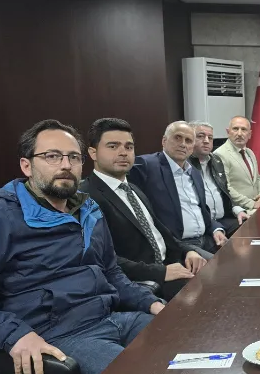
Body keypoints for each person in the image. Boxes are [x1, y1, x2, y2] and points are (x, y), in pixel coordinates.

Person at [0, 119, 165, 374]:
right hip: (58, 336)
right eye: (52, 156)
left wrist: (151, 303)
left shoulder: (88, 209)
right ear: (26, 166)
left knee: (186, 344)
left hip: (112, 318)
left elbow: (111, 271)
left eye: (73, 157)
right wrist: (13, 334)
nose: (66, 165)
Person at [80, 118, 207, 301]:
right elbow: (101, 258)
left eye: (129, 147)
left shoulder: (133, 189)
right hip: (138, 281)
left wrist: (187, 251)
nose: (123, 152)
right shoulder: (86, 196)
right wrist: (161, 272)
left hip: (169, 265)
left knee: (221, 278)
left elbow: (161, 232)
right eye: (113, 146)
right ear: (93, 153)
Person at [128, 121, 226, 258]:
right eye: (177, 138)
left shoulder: (194, 173)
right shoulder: (146, 165)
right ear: (164, 141)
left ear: (192, 147)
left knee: (240, 257)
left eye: (188, 141)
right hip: (178, 246)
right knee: (222, 267)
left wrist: (215, 228)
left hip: (206, 239)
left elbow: (203, 210)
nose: (183, 144)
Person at [188, 120, 249, 236]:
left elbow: (225, 193)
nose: (206, 141)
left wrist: (238, 211)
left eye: (210, 137)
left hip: (223, 219)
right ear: (190, 139)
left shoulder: (216, 161)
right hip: (202, 224)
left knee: (250, 226)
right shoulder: (185, 166)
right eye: (200, 136)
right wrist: (214, 227)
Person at [215, 116, 260, 213]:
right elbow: (226, 188)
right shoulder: (220, 154)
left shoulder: (250, 152)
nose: (239, 133)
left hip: (255, 208)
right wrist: (251, 204)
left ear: (250, 134)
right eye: (235, 129)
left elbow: (257, 178)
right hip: (238, 211)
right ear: (228, 132)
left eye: (243, 129)